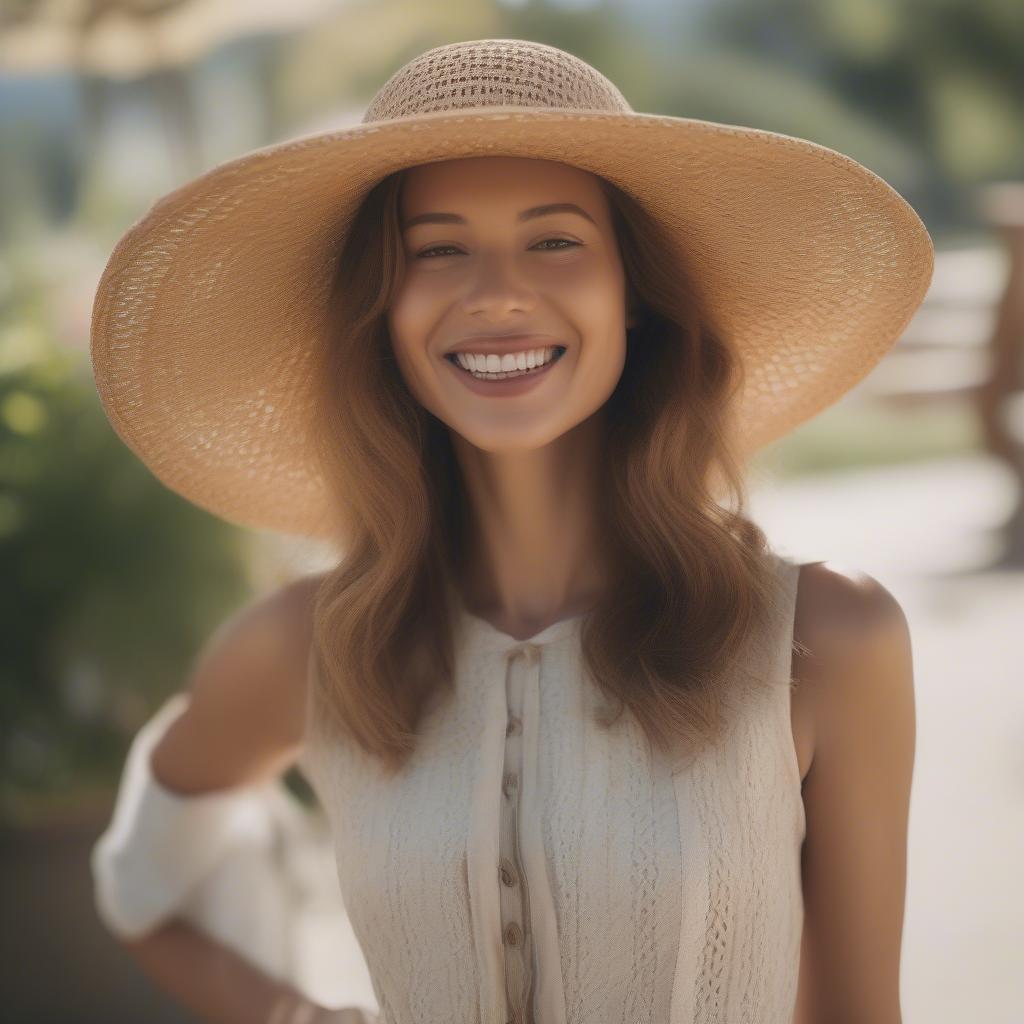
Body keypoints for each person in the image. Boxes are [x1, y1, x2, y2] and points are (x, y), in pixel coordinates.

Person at [89, 38, 930, 1024]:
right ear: (382, 313)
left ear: (635, 299)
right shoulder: (304, 648)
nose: (494, 293)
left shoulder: (827, 639)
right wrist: (288, 1013)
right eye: (437, 248)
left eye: (555, 240)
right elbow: (140, 886)